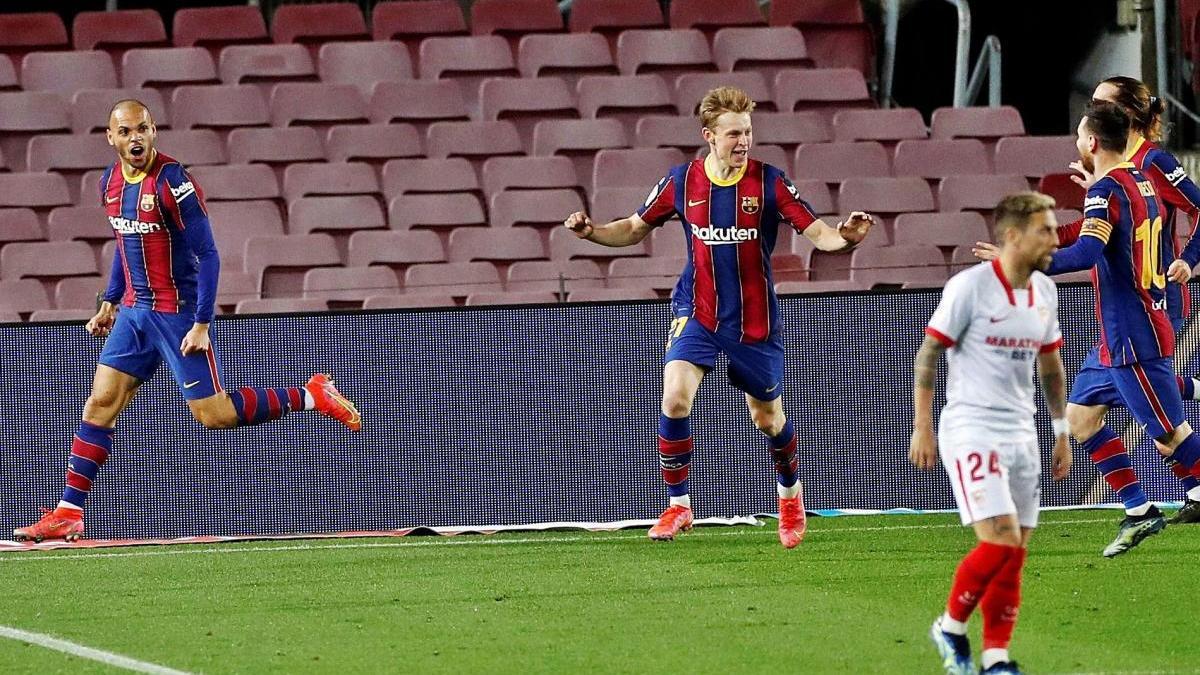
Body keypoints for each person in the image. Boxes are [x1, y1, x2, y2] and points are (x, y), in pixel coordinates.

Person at [13, 100, 362, 544]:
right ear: (111, 137)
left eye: (141, 129)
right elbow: (125, 245)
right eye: (125, 132)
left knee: (212, 416)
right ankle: (68, 512)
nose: (134, 138)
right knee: (100, 403)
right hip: (136, 313)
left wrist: (201, 323)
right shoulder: (110, 182)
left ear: (153, 131)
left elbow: (209, 255)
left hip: (177, 313)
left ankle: (311, 394)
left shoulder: (174, 183)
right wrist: (110, 300)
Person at [561, 87, 872, 548]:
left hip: (753, 320)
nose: (743, 140)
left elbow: (820, 234)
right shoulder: (681, 181)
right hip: (697, 311)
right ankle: (678, 505)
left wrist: (847, 238)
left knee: (767, 419)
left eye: (747, 131)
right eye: (733, 133)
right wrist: (591, 233)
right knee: (674, 400)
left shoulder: (769, 182)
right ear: (709, 136)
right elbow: (631, 228)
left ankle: (790, 496)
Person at [975, 76, 1200, 524]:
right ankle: (1143, 505)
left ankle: (1190, 482)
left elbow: (1100, 242)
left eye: (1099, 103)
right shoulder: (1118, 174)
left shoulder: (1150, 164)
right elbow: (1096, 230)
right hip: (1123, 312)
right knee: (1082, 415)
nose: (1091, 109)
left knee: (1163, 429)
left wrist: (1189, 261)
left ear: (1119, 117)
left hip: (1149, 301)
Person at [910, 192, 1071, 675]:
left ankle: (997, 657)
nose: (1055, 238)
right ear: (1012, 236)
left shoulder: (1045, 292)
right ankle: (951, 627)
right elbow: (928, 355)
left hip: (1023, 432)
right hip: (972, 426)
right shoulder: (970, 288)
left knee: (1015, 550)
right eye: (1045, 229)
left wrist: (1060, 431)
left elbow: (1051, 369)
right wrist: (923, 425)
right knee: (998, 541)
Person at [1038, 101, 1200, 556]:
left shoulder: (1108, 188)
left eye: (1078, 136)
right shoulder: (1140, 181)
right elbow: (1122, 228)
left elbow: (1088, 253)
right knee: (1079, 419)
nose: (1076, 143)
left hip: (1134, 334)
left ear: (1092, 142)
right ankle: (1139, 510)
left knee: (1172, 438)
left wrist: (1027, 262)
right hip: (1120, 336)